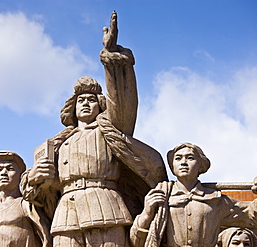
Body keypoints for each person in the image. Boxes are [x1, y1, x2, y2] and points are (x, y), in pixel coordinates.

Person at [20, 12, 167, 247]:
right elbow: (38, 191)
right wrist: (36, 179)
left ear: (101, 105)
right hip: (65, 213)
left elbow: (123, 102)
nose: (86, 103)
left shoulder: (111, 130)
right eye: (80, 100)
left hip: (105, 207)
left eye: (91, 99)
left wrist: (111, 58)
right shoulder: (57, 143)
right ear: (72, 107)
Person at [130, 142, 257, 247]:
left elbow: (256, 216)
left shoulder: (216, 200)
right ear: (172, 167)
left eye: (190, 158)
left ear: (201, 166)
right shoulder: (161, 196)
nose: (184, 162)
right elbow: (136, 242)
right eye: (178, 158)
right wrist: (147, 212)